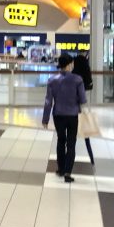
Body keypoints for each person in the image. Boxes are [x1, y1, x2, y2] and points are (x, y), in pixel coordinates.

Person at [42, 53, 87, 183]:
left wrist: (45, 119)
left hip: (58, 115)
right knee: (71, 143)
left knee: (61, 140)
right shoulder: (78, 79)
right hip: (72, 115)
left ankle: (61, 169)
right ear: (68, 64)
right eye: (71, 63)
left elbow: (48, 101)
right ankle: (68, 172)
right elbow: (83, 99)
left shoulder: (52, 80)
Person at [71, 53, 95, 164]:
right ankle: (91, 158)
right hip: (85, 112)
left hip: (72, 110)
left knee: (71, 138)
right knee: (86, 138)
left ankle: (69, 159)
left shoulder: (74, 76)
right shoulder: (87, 77)